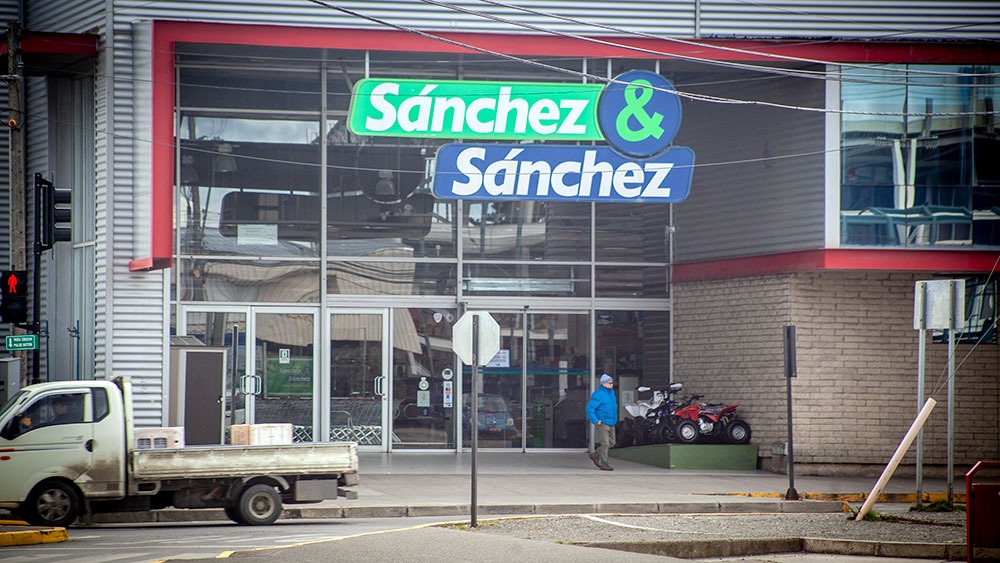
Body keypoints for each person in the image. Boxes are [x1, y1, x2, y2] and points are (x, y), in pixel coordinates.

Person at [586, 373, 617, 471]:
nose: (611, 384)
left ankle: (595, 454)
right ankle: (604, 463)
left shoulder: (611, 393)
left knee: (612, 443)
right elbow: (590, 408)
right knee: (605, 444)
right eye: (609, 383)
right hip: (603, 422)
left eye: (612, 383)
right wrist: (595, 420)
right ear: (603, 383)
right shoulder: (598, 394)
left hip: (611, 421)